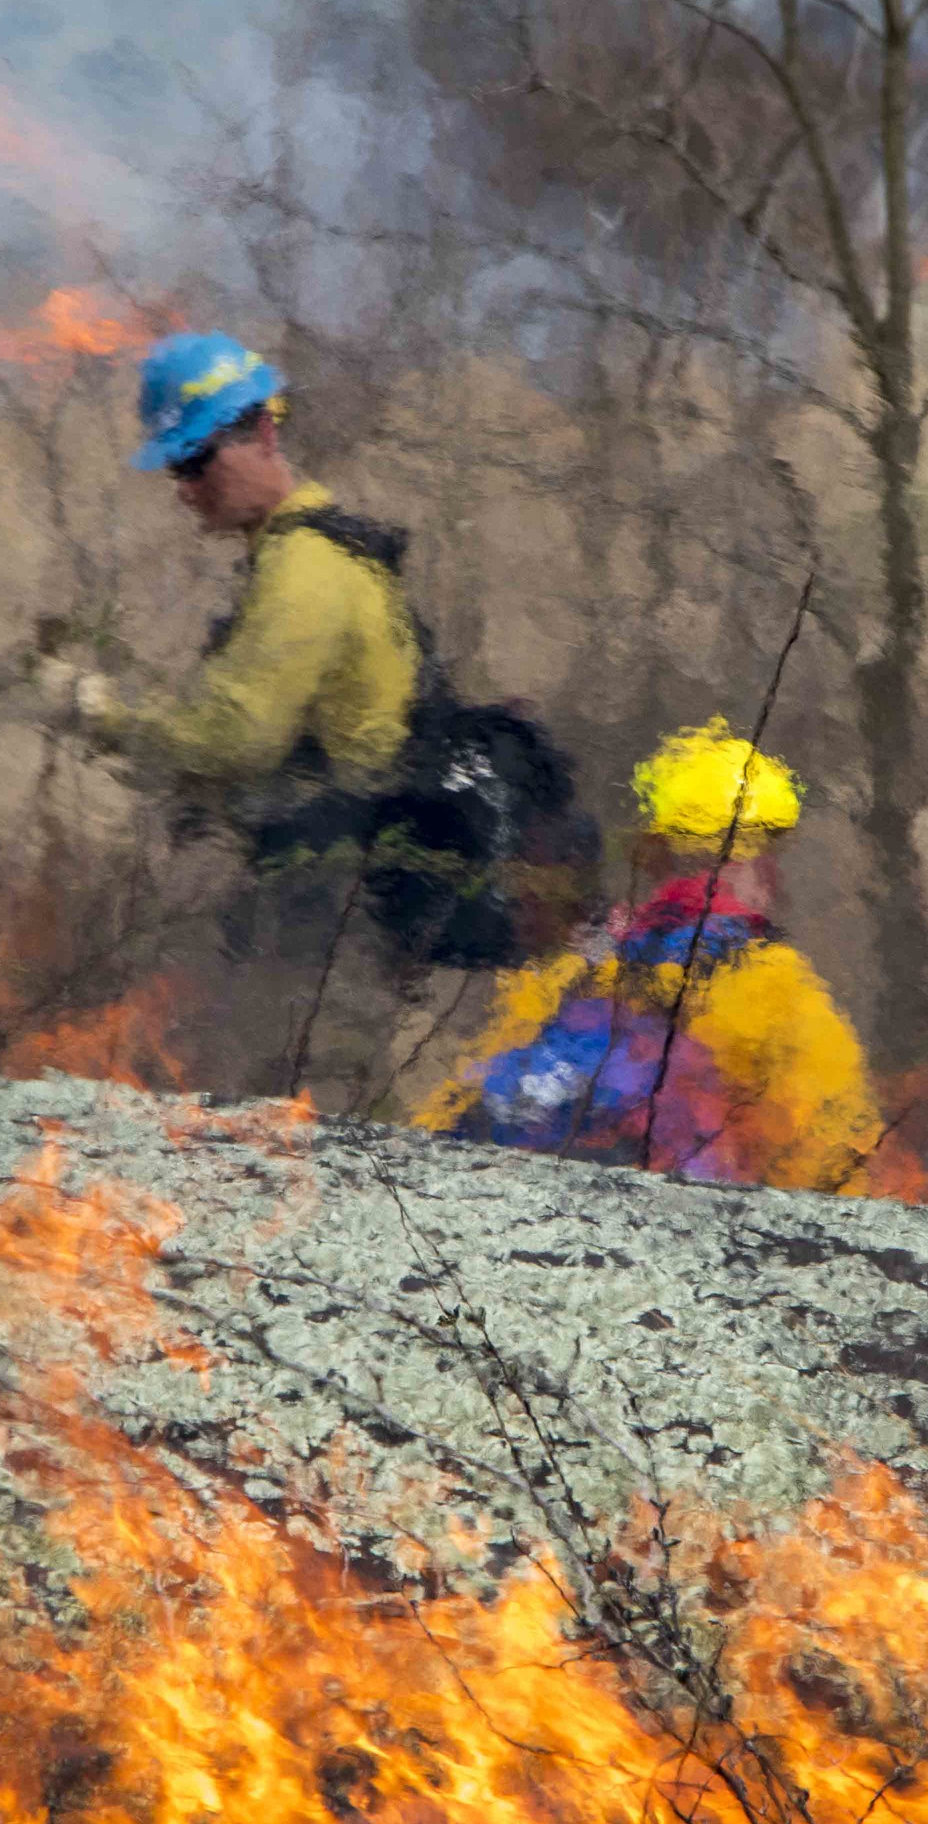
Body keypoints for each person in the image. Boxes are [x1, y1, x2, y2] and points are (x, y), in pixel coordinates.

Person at [49, 331, 587, 985]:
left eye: (195, 460)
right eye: (174, 468)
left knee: (280, 1080)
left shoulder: (303, 570)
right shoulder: (321, 552)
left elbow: (234, 736)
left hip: (341, 902)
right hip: (354, 892)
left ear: (262, 436)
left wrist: (97, 709)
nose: (184, 488)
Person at [412, 720, 881, 1190]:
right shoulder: (774, 987)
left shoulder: (574, 972)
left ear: (651, 852)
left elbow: (455, 1114)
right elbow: (836, 1158)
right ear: (758, 861)